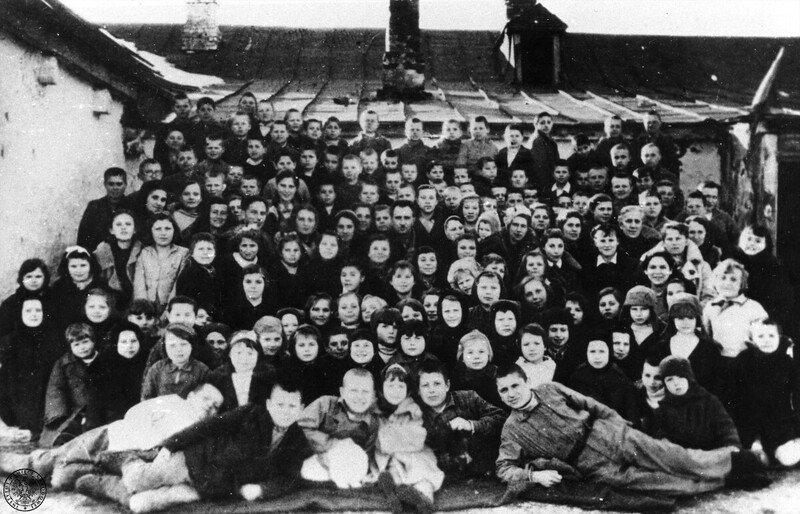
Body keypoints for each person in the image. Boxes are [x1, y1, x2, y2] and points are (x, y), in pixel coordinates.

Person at [495, 364, 766, 495]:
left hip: (609, 434)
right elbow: (504, 468)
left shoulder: (549, 389)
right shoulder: (511, 430)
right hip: (592, 465)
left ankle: (742, 461)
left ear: (527, 381)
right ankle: (730, 477)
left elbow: (592, 405)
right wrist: (534, 476)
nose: (510, 394)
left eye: (514, 386)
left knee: (675, 458)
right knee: (664, 484)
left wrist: (618, 424)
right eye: (503, 390)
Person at [78, 379, 312, 512]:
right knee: (136, 481)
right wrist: (170, 446)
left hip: (211, 488)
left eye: (292, 406)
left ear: (301, 409)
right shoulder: (249, 414)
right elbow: (207, 427)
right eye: (280, 404)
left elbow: (288, 478)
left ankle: (96, 483)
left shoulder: (298, 441)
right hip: (191, 462)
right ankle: (124, 459)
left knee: (140, 505)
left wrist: (262, 490)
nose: (285, 411)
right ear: (269, 404)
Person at [0, 384, 223, 491]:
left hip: (128, 456)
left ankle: (56, 472)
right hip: (112, 436)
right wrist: (145, 431)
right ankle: (12, 462)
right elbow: (136, 412)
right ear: (192, 395)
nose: (209, 407)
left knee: (63, 479)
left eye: (215, 406)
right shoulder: (173, 402)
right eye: (206, 399)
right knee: (49, 461)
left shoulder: (199, 430)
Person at [376, 364, 445, 514]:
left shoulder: (413, 410)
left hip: (415, 454)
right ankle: (394, 496)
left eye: (401, 386)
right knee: (393, 472)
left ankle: (423, 499)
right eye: (390, 386)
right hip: (391, 457)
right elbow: (381, 442)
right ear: (382, 388)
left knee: (424, 474)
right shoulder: (378, 410)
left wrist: (395, 438)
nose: (396, 391)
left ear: (408, 390)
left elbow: (417, 440)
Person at [731, 318, 800, 467]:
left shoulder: (787, 363)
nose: (766, 340)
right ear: (752, 339)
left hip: (779, 423)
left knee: (788, 458)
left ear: (779, 338)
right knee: (753, 459)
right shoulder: (743, 361)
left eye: (771, 336)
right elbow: (733, 395)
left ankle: (780, 450)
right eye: (760, 336)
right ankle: (757, 450)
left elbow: (796, 396)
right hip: (750, 421)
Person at [418, 361, 506, 477]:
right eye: (425, 385)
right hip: (445, 480)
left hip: (483, 474)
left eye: (437, 383)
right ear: (418, 391)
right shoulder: (416, 415)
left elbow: (501, 418)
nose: (431, 390)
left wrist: (472, 425)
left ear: (447, 385)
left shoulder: (468, 398)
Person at [297, 367, 381, 489]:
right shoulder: (325, 404)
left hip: (347, 467)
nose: (359, 396)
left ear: (373, 395)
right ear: (342, 392)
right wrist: (332, 443)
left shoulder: (373, 422)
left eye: (365, 392)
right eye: (353, 391)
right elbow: (300, 429)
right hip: (317, 460)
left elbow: (368, 453)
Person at [652, 356, 741, 451]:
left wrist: (732, 447)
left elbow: (727, 430)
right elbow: (660, 437)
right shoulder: (663, 409)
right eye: (670, 379)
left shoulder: (709, 402)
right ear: (665, 384)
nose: (676, 383)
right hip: (681, 459)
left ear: (689, 378)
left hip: (711, 455)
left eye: (681, 377)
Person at [42, 322, 102, 447]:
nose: (82, 347)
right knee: (63, 434)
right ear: (70, 346)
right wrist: (58, 415)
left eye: (85, 342)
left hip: (98, 409)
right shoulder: (64, 364)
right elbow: (56, 388)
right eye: (76, 344)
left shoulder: (103, 360)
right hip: (74, 410)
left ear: (93, 341)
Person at [141, 323, 210, 401]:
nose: (179, 350)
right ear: (165, 346)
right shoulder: (157, 368)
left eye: (183, 344)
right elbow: (146, 398)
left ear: (192, 346)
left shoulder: (202, 370)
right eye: (172, 345)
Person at [77, 167, 128, 253]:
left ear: (125, 185)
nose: (115, 188)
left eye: (119, 184)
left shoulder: (131, 205)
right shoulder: (94, 207)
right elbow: (82, 239)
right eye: (111, 184)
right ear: (105, 184)